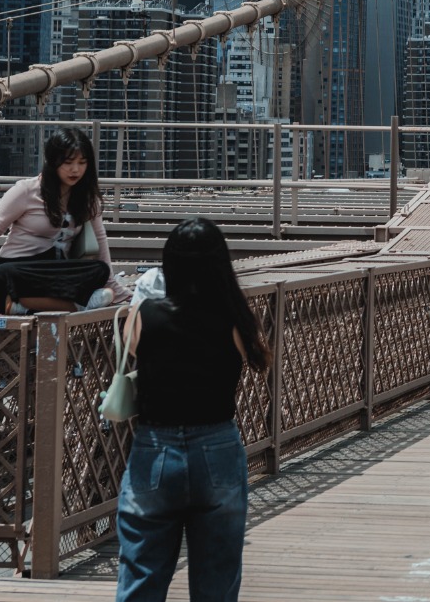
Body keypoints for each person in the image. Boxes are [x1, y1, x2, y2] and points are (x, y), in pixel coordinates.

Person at [116, 217, 270, 602]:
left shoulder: (142, 316)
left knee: (141, 573)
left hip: (155, 446)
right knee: (217, 578)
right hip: (216, 445)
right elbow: (259, 358)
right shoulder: (235, 318)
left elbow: (131, 353)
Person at [0, 127, 117, 314]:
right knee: (1, 276)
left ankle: (20, 306)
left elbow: (100, 239)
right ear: (53, 161)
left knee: (99, 269)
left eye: (82, 162)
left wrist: (116, 288)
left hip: (53, 273)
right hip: (19, 269)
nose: (75, 169)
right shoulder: (26, 191)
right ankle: (77, 304)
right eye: (68, 162)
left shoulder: (88, 198)